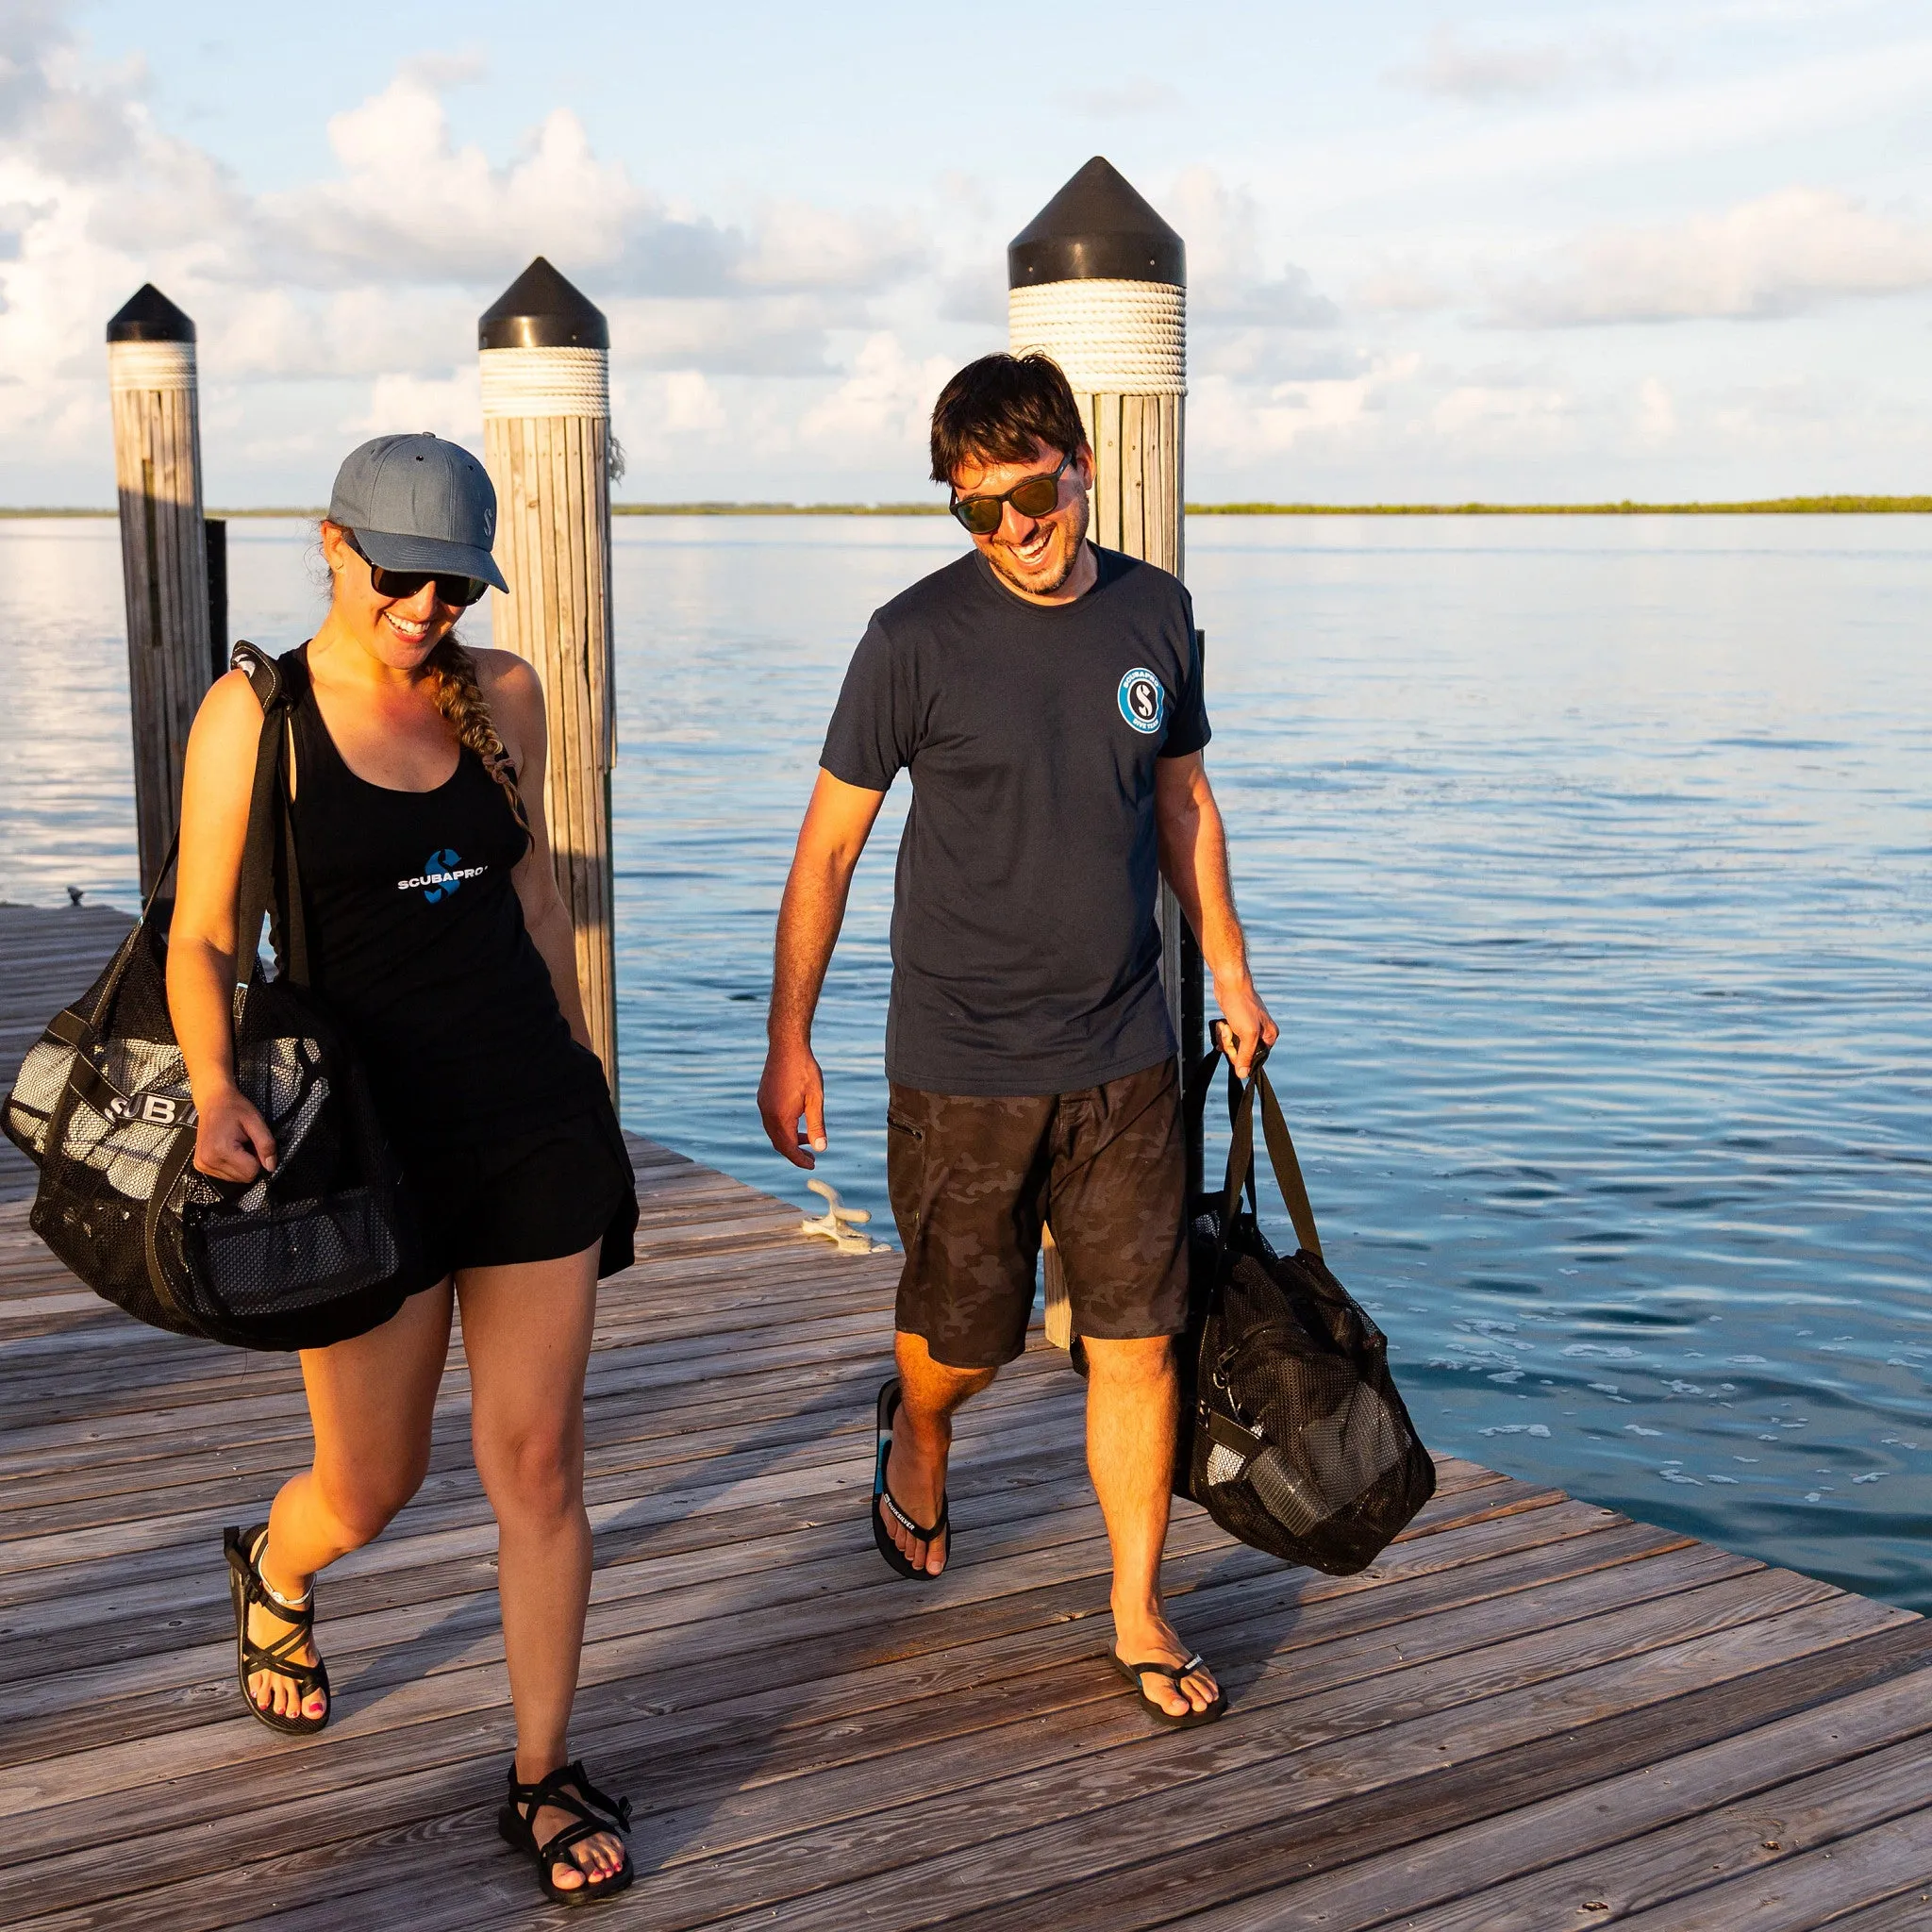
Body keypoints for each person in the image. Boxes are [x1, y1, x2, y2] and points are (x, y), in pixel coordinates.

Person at [757, 353, 1277, 1727]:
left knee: (1136, 1341)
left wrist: (1226, 966)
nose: (1012, 531)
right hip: (962, 1063)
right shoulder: (910, 640)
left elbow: (1184, 808)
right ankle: (918, 1423)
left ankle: (1135, 1608)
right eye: (975, 512)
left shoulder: (1158, 614)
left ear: (1078, 465)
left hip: (1124, 1054)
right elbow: (827, 850)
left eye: (1029, 495)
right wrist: (788, 1038)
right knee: (966, 1343)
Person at [168, 434, 640, 1905]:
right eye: (405, 577)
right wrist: (209, 1086)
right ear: (331, 545)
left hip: (529, 1127)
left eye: (456, 583)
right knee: (374, 1484)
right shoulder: (260, 719)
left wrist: (589, 1078)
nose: (432, 606)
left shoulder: (504, 694)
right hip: (365, 1159)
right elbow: (197, 937)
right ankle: (280, 1570)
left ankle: (542, 1770)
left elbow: (536, 896)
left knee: (537, 1465)